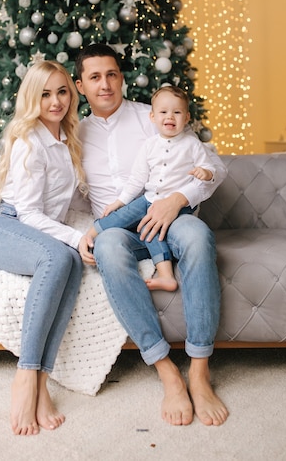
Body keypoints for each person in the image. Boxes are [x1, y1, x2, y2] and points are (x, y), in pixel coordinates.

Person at [75, 43, 229, 427]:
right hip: (120, 229)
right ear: (80, 86)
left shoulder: (154, 115)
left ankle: (199, 370)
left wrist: (178, 199)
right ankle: (165, 370)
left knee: (197, 237)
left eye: (112, 74)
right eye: (95, 77)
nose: (105, 84)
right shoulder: (73, 134)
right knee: (109, 245)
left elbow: (214, 167)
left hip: (171, 218)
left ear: (122, 78)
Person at [0, 60, 88, 436]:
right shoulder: (29, 140)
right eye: (45, 94)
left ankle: (43, 381)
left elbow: (66, 205)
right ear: (32, 97)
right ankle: (25, 377)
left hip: (29, 227)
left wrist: (97, 226)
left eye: (61, 92)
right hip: (4, 226)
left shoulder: (64, 139)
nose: (55, 101)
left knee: (71, 261)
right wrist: (74, 236)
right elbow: (28, 214)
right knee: (60, 253)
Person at [85, 85, 218, 292]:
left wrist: (205, 173)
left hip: (176, 205)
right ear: (153, 117)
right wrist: (120, 202)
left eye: (177, 112)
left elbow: (210, 167)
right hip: (149, 199)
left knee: (151, 228)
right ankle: (90, 235)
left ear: (187, 117)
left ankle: (165, 275)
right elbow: (137, 179)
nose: (170, 117)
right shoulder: (149, 145)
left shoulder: (192, 144)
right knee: (124, 214)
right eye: (164, 112)